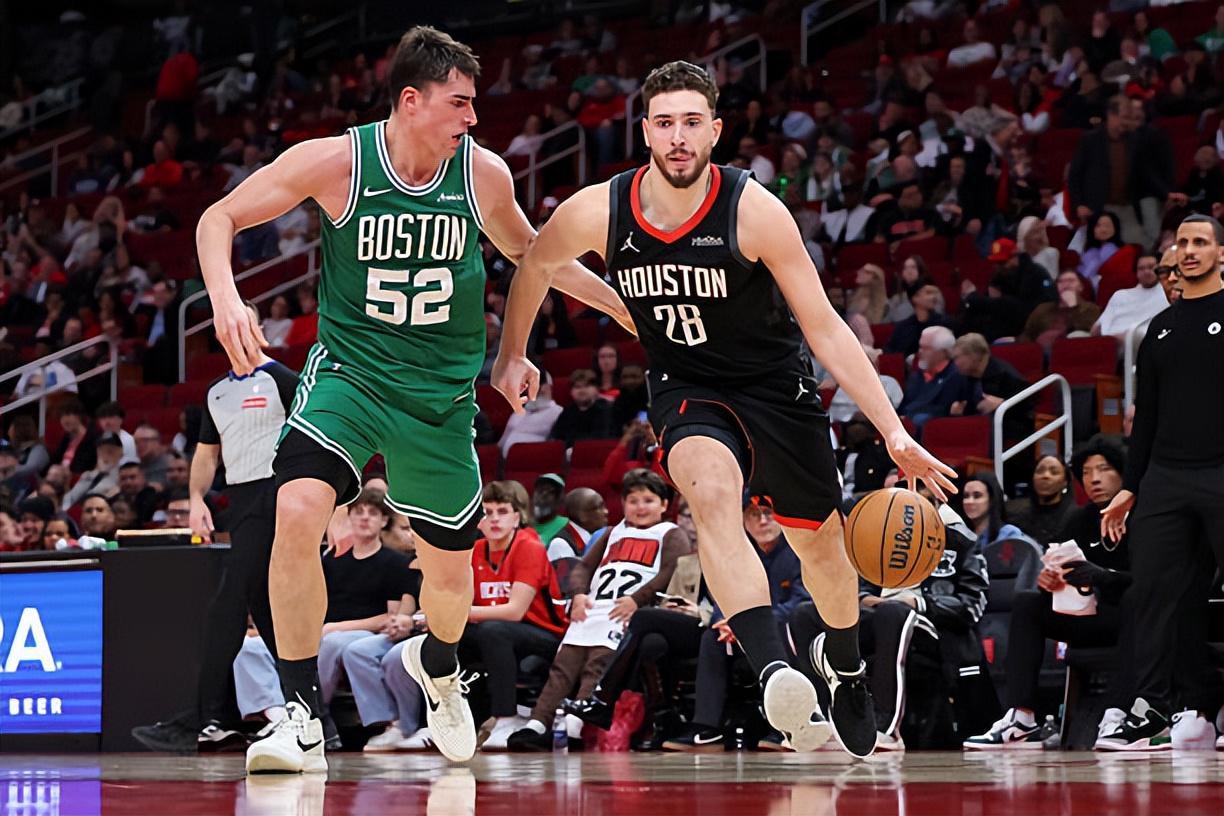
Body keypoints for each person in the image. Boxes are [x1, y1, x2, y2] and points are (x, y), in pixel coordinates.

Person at [492, 60, 957, 758]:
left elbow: (826, 328)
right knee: (711, 497)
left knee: (822, 549)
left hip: (774, 385)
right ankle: (775, 671)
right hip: (686, 383)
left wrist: (893, 432)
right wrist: (513, 353)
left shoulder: (754, 210)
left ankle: (846, 666)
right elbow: (537, 262)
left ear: (715, 129)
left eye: (691, 122)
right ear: (645, 131)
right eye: (664, 123)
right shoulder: (598, 209)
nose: (677, 137)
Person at [197, 26, 630, 772]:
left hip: (438, 395)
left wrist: (624, 308)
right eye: (459, 102)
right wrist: (226, 299)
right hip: (351, 376)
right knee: (295, 509)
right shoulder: (338, 162)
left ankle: (441, 666)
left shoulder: (481, 173)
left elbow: (535, 255)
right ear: (411, 101)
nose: (472, 117)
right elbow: (218, 218)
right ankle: (300, 716)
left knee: (449, 576)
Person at [131, 313, 300, 753]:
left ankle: (202, 719)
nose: (233, 334)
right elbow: (207, 455)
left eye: (242, 325)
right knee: (264, 611)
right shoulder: (217, 391)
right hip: (240, 500)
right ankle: (310, 713)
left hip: (275, 494)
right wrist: (196, 498)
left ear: (257, 330)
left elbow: (313, 442)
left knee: (227, 603)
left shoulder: (283, 380)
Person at [1100, 215, 1224, 751]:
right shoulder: (1158, 329)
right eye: (1182, 243)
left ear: (1220, 253)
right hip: (1166, 478)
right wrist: (1130, 487)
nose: (1189, 251)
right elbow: (1145, 416)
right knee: (1151, 593)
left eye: (1200, 242)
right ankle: (1154, 709)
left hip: (1221, 470)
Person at [966, 436, 1133, 749]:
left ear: (1123, 474)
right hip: (1088, 615)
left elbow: (1150, 583)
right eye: (1086, 472)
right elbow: (1060, 569)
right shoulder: (1079, 520)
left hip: (1131, 620)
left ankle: (1120, 714)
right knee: (1028, 602)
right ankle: (1022, 717)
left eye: (1103, 469)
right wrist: (1049, 582)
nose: (1094, 479)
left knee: (1139, 603)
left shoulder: (1142, 517)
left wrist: (1103, 576)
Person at [506, 469, 686, 750]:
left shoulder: (671, 533)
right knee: (563, 665)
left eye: (648, 501)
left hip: (631, 610)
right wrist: (577, 594)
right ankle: (538, 723)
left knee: (598, 663)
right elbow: (583, 567)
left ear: (663, 505)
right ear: (623, 504)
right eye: (633, 501)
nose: (640, 507)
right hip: (593, 606)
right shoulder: (613, 532)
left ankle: (577, 723)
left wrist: (637, 600)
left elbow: (670, 571)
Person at [663, 501, 810, 752]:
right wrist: (729, 622)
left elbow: (801, 601)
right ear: (743, 520)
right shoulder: (738, 554)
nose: (762, 521)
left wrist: (747, 624)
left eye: (768, 513)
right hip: (742, 632)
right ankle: (707, 728)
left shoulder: (798, 550)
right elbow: (723, 595)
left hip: (785, 631)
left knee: (785, 628)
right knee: (712, 637)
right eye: (754, 515)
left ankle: (788, 726)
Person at [462, 481, 568, 750]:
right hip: (498, 630)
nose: (494, 519)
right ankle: (439, 722)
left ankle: (506, 718)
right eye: (487, 512)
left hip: (547, 635)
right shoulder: (475, 551)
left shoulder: (529, 546)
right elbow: (463, 600)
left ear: (517, 517)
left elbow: (514, 611)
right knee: (446, 635)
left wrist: (459, 614)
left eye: (502, 512)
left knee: (493, 630)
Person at [898, 326, 968, 433]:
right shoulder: (916, 377)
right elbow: (903, 407)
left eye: (926, 348)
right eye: (920, 347)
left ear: (944, 352)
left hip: (935, 429)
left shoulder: (956, 376)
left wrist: (908, 418)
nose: (920, 352)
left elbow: (944, 409)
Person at [1092, 253, 1170, 340]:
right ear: (1136, 272)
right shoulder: (1120, 295)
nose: (1146, 272)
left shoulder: (1168, 294)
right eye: (1141, 268)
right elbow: (1098, 326)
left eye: (1151, 267)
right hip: (1108, 340)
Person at [1004, 455, 1078, 547]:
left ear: (1065, 482)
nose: (1045, 476)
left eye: (1054, 472)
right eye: (1040, 471)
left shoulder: (1075, 517)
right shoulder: (1014, 513)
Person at [958, 472, 1027, 551]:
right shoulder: (960, 534)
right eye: (966, 496)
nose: (969, 501)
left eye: (977, 496)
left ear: (992, 499)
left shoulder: (1009, 533)